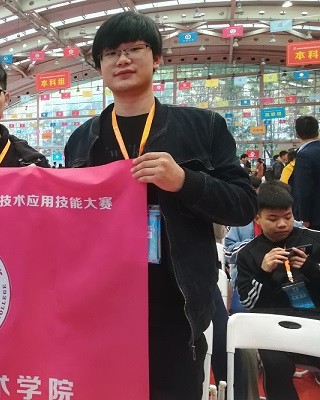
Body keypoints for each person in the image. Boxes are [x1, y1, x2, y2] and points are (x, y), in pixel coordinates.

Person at [63, 11, 257, 399]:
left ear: (157, 59)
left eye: (134, 49)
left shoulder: (203, 127)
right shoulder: (82, 140)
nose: (122, 60)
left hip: (174, 305)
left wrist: (185, 181)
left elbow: (242, 206)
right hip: (103, 304)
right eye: (110, 53)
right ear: (100, 67)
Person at [236, 181, 320, 399]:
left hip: (316, 320)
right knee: (275, 366)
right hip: (274, 327)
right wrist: (263, 272)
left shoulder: (315, 240)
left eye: (288, 216)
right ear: (257, 219)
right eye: (273, 219)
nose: (282, 224)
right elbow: (248, 303)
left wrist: (311, 268)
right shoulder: (248, 254)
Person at [292, 116, 320, 230]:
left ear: (297, 134)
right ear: (317, 132)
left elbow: (303, 189)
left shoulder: (304, 155)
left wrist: (304, 217)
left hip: (314, 217)